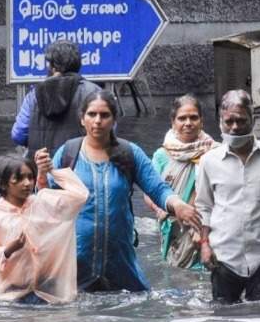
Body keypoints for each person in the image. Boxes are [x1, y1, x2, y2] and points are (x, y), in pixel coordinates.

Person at [43, 90, 202, 293]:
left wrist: (177, 204)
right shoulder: (67, 154)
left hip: (120, 260)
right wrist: (41, 174)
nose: (98, 121)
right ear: (82, 119)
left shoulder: (130, 153)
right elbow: (45, 201)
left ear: (114, 119)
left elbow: (157, 188)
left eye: (104, 115)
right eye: (92, 114)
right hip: (74, 259)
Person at [194, 89, 260, 304]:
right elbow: (204, 206)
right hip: (222, 258)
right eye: (228, 121)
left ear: (253, 119)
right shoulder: (208, 161)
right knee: (222, 321)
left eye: (241, 121)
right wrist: (204, 244)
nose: (234, 127)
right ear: (220, 121)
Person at [0, 150, 88, 305]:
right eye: (19, 179)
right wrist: (8, 250)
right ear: (3, 183)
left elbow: (80, 196)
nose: (27, 183)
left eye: (30, 177)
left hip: (50, 292)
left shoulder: (43, 203)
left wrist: (51, 171)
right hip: (11, 295)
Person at [143, 94, 218, 269]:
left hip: (208, 229)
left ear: (201, 121)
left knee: (207, 273)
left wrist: (202, 227)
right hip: (173, 229)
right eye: (182, 118)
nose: (188, 123)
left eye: (193, 117)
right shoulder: (162, 155)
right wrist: (159, 209)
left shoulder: (215, 152)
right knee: (176, 275)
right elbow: (149, 191)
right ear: (173, 122)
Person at [10, 40, 101, 155]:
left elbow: (18, 135)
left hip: (41, 168)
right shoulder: (94, 93)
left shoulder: (33, 95)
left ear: (53, 67)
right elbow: (107, 131)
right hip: (77, 168)